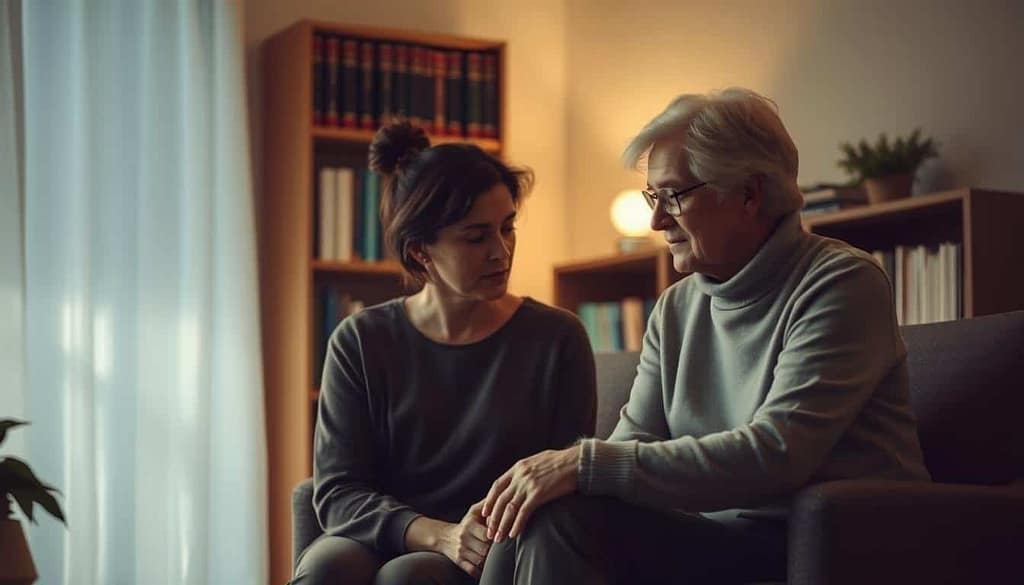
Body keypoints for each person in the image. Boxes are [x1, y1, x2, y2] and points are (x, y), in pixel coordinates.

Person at [477, 88, 931, 584]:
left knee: (566, 512)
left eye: (673, 195)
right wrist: (552, 482)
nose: (656, 220)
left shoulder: (841, 282)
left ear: (748, 194)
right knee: (534, 514)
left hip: (811, 544)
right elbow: (635, 441)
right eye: (654, 197)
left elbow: (777, 453)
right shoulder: (677, 306)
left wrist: (585, 463)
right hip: (710, 538)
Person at [292, 121, 596, 585]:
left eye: (507, 227)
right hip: (391, 532)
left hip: (497, 546)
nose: (502, 251)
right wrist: (434, 534)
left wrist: (472, 538)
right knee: (327, 565)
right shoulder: (360, 340)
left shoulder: (557, 339)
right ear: (420, 254)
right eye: (476, 237)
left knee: (409, 578)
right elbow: (337, 491)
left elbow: (565, 483)